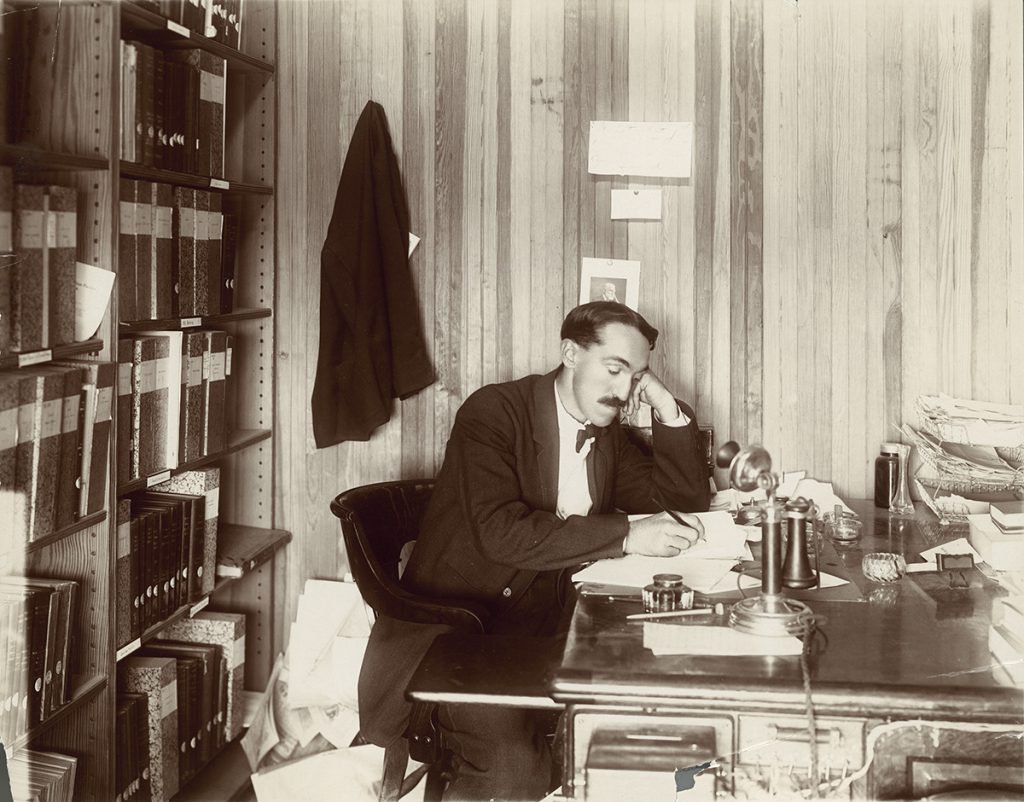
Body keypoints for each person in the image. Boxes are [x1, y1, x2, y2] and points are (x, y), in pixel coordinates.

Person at [359, 301, 712, 801]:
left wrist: (668, 409)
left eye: (636, 376)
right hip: (461, 634)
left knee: (645, 718)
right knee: (515, 769)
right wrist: (627, 536)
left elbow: (682, 502)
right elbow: (501, 533)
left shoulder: (605, 433)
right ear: (570, 352)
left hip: (549, 624)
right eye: (614, 369)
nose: (623, 390)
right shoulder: (494, 411)